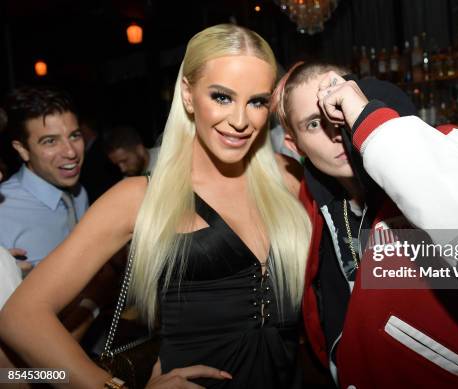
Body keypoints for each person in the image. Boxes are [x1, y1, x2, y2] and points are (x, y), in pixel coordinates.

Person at [0, 24, 311, 389]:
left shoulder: (289, 177)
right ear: (188, 95)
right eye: (222, 97)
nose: (241, 120)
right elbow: (21, 317)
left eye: (257, 101)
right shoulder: (140, 196)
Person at [271, 62, 458, 389]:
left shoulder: (441, 150)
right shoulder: (311, 206)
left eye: (338, 109)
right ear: (295, 146)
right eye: (313, 124)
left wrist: (371, 124)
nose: (335, 132)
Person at [0, 86, 88, 266]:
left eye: (74, 136)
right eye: (50, 141)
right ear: (23, 150)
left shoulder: (80, 194)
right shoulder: (4, 209)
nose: (71, 152)